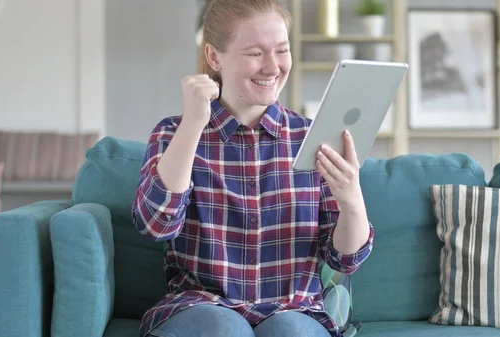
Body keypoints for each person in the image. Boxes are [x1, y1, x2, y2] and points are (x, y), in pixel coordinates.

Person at [131, 0, 374, 336]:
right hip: (202, 309)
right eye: (256, 53)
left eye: (282, 50)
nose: (273, 67)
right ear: (215, 57)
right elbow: (156, 225)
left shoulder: (313, 138)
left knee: (291, 331)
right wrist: (194, 123)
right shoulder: (173, 133)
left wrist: (352, 201)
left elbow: (345, 260)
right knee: (224, 327)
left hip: (295, 310)